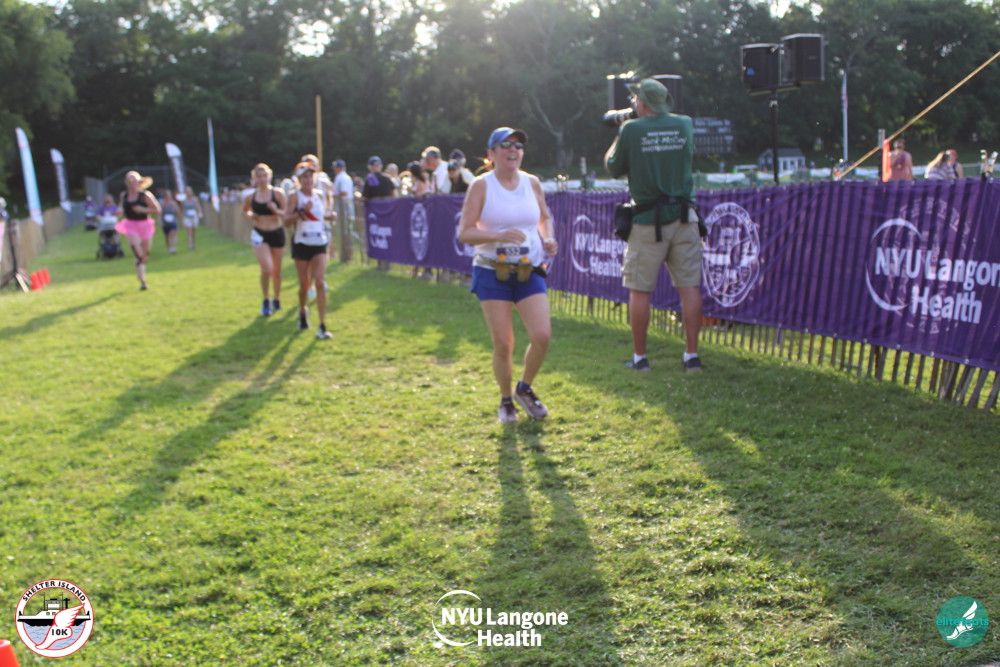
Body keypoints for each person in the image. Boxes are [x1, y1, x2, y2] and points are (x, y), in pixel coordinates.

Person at [457, 127, 559, 423]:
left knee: (542, 336)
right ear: (491, 154)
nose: (513, 150)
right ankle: (505, 401)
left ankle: (524, 389)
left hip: (529, 268)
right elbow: (465, 232)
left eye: (518, 145)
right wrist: (498, 235)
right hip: (492, 271)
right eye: (505, 145)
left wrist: (548, 238)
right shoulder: (481, 186)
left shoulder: (531, 182)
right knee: (503, 343)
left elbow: (544, 217)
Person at [604, 77, 703, 373]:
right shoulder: (684, 124)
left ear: (642, 102)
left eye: (636, 99)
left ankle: (640, 358)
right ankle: (692, 356)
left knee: (639, 290)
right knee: (689, 287)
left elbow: (613, 167)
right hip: (685, 217)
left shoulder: (631, 129)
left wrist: (622, 131)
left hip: (648, 221)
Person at [284, 162, 334, 339]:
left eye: (310, 176)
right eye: (304, 176)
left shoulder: (319, 194)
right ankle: (302, 310)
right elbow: (286, 221)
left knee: (319, 282)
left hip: (319, 242)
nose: (308, 179)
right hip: (302, 243)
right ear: (298, 179)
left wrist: (329, 216)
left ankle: (322, 325)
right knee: (304, 284)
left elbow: (320, 216)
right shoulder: (294, 196)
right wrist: (301, 212)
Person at [243, 163, 288, 317]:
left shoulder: (278, 194)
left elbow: (286, 213)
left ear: (269, 176)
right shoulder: (251, 197)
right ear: (254, 178)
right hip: (259, 234)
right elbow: (245, 211)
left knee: (277, 271)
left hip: (276, 232)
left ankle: (277, 298)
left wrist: (275, 210)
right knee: (267, 269)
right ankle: (266, 299)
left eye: (264, 176)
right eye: (259, 176)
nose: (262, 179)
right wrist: (251, 216)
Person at [116, 171, 162, 290]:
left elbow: (157, 210)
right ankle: (142, 280)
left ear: (138, 182)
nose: (132, 184)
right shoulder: (124, 195)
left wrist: (143, 210)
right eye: (129, 181)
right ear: (126, 183)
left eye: (134, 181)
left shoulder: (145, 195)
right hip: (130, 225)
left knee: (145, 255)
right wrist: (119, 212)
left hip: (144, 225)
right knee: (137, 251)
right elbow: (121, 207)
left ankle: (140, 273)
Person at [331, 158, 355, 259]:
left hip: (344, 207)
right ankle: (345, 253)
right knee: (344, 230)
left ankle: (347, 254)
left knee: (345, 230)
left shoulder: (342, 178)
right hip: (343, 207)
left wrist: (332, 195)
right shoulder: (343, 177)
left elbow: (344, 192)